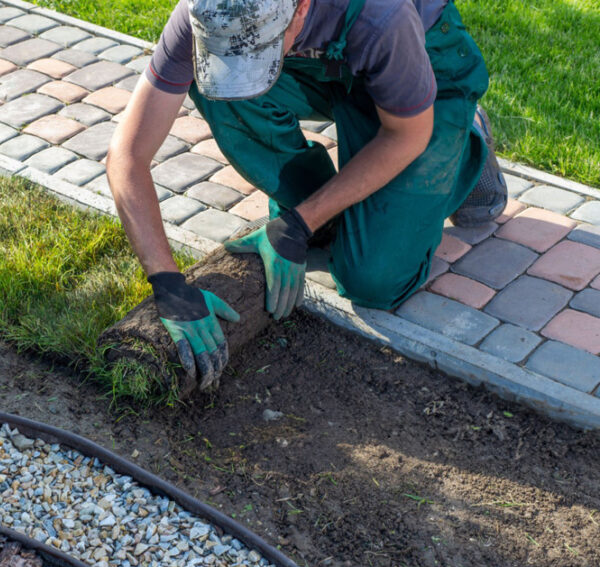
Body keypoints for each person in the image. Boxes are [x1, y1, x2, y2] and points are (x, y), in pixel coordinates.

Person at [106, 0, 506, 390]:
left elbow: (406, 136)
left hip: (423, 70)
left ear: (300, 10)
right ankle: (329, 211)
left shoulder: (383, 14)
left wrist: (297, 224)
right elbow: (126, 154)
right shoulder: (210, 11)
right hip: (325, 64)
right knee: (216, 91)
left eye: (252, 56)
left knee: (373, 280)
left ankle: (464, 139)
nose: (237, 70)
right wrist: (168, 284)